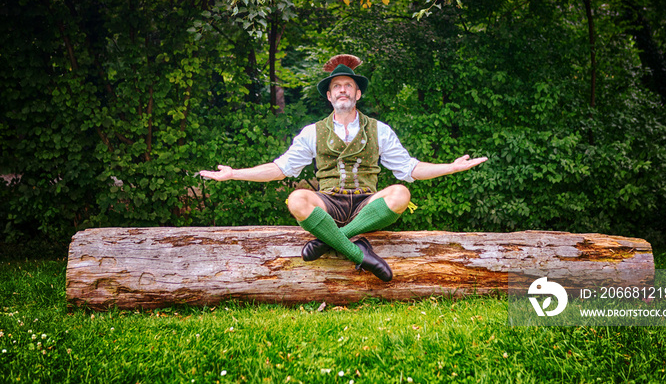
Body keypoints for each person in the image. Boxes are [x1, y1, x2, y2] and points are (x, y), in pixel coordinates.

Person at [199, 54, 487, 282]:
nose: (342, 90)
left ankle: (330, 241)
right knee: (297, 198)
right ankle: (359, 253)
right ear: (329, 96)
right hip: (329, 202)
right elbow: (281, 168)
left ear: (358, 93)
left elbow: (409, 169)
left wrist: (450, 167)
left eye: (348, 85)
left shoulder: (379, 130)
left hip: (366, 202)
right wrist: (234, 173)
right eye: (336, 86)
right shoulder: (313, 131)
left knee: (401, 193)